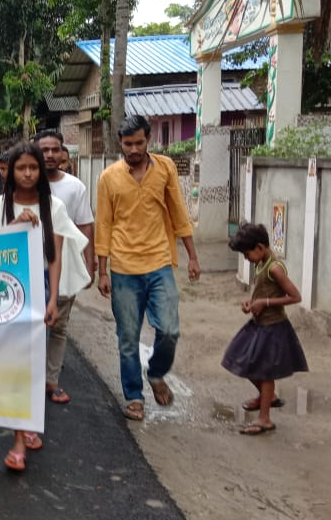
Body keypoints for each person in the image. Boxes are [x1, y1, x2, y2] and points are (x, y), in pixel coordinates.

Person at [0, 142, 90, 471]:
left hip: (38, 290)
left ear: (41, 171)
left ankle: (20, 437)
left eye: (33, 168)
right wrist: (13, 229)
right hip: (3, 292)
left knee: (32, 362)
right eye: (21, 168)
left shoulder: (53, 206)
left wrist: (53, 299)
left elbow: (54, 259)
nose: (27, 173)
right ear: (10, 171)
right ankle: (20, 425)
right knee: (11, 363)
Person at [95, 115, 201, 421]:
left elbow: (179, 213)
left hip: (159, 263)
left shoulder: (165, 167)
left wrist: (192, 256)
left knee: (169, 330)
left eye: (139, 143)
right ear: (120, 144)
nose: (133, 149)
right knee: (128, 337)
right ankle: (133, 395)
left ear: (148, 140)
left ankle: (156, 374)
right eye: (128, 144)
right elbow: (104, 223)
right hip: (123, 267)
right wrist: (103, 271)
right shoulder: (109, 178)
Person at [223, 223, 307, 435]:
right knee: (240, 359)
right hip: (259, 324)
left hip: (273, 327)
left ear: (260, 247)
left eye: (246, 253)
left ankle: (265, 419)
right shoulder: (261, 263)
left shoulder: (274, 268)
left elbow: (295, 296)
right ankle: (269, 397)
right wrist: (251, 303)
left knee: (264, 371)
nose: (245, 258)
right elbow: (262, 291)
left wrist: (265, 303)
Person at [34, 129, 96, 404]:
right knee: (32, 328)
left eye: (54, 149)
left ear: (63, 153)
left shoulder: (75, 187)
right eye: (43, 150)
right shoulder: (25, 183)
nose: (49, 155)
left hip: (65, 265)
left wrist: (91, 264)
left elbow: (85, 225)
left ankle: (51, 381)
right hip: (30, 268)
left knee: (58, 327)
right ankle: (29, 383)